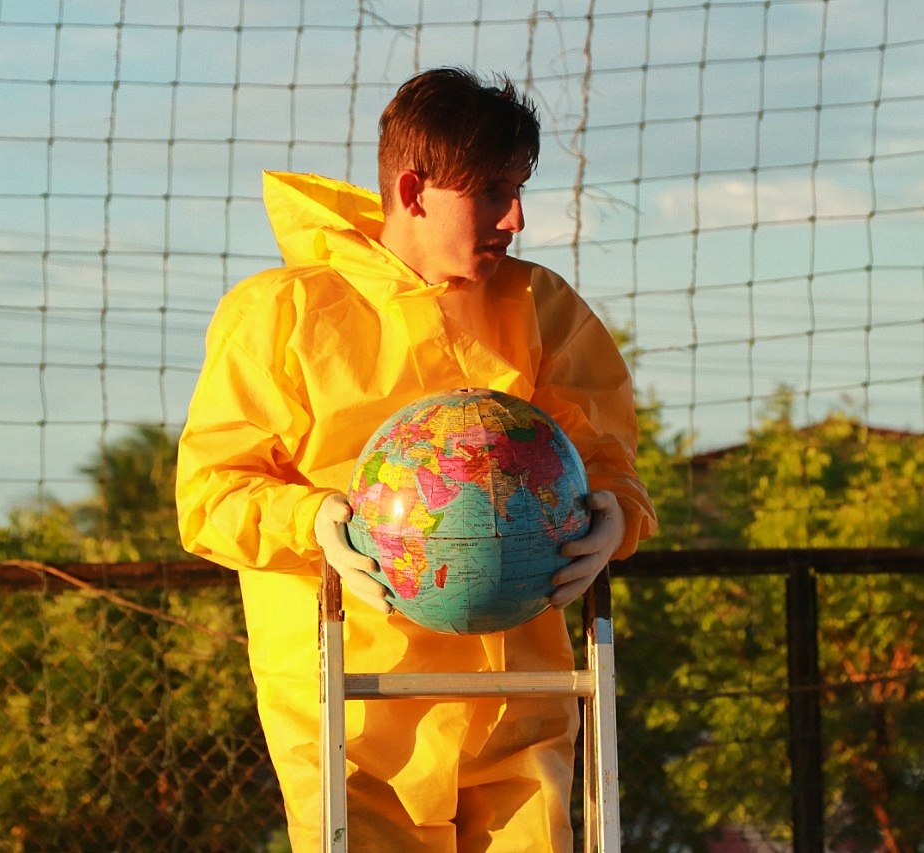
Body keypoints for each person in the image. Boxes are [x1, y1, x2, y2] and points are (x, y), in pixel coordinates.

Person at [176, 67, 656, 851]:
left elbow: (607, 462)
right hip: (349, 715)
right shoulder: (281, 313)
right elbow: (210, 494)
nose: (516, 218)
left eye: (517, 190)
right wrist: (316, 520)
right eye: (491, 192)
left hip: (518, 705)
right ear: (413, 189)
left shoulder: (542, 308)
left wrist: (615, 515)